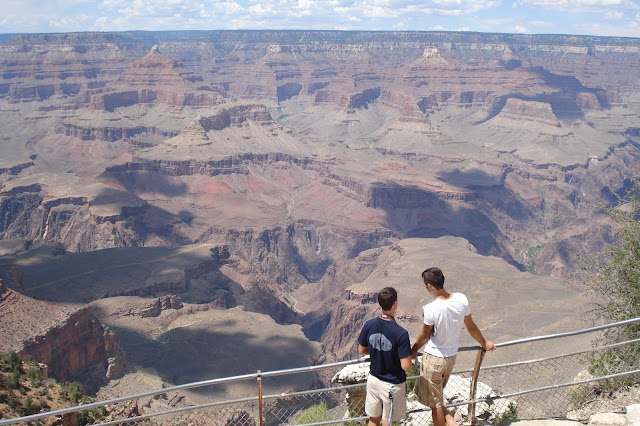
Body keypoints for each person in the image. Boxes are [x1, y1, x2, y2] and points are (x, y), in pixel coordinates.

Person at [411, 267, 497, 426]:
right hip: (450, 358)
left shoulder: (430, 309)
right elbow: (471, 327)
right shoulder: (461, 299)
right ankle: (451, 421)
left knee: (436, 403)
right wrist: (484, 342)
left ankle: (449, 423)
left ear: (429, 285)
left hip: (434, 359)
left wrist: (414, 349)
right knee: (435, 397)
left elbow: (425, 335)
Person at [358, 287, 413, 426]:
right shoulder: (401, 334)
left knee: (373, 419)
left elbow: (361, 350)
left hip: (373, 379)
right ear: (395, 303)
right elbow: (406, 366)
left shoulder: (369, 325)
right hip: (392, 384)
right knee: (388, 421)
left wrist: (378, 350)